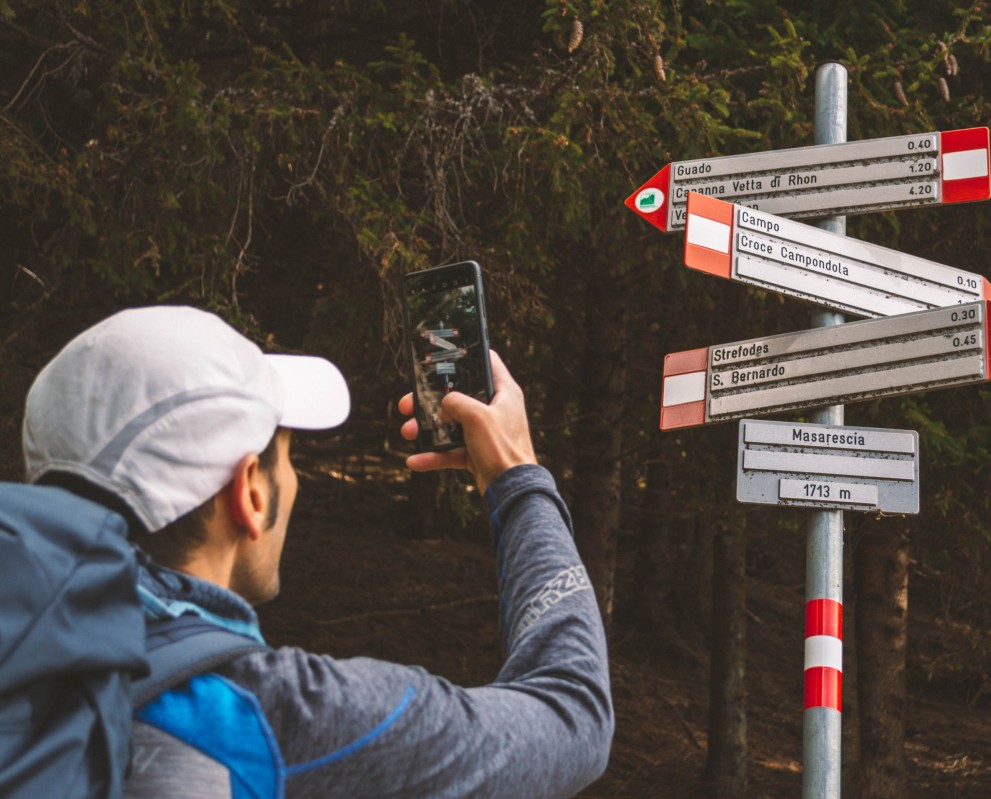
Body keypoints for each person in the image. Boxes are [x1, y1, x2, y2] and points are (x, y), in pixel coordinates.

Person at [21, 305, 613, 798]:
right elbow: (574, 714)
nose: (294, 478)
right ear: (250, 493)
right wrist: (518, 477)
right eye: (287, 455)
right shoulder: (285, 717)